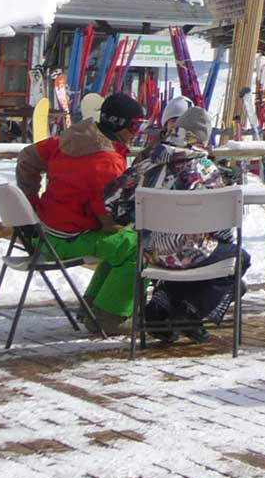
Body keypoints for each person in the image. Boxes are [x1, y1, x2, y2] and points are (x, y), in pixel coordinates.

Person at [105, 106, 249, 343]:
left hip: (150, 252)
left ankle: (161, 308)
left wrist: (136, 221)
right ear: (203, 138)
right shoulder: (205, 168)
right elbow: (222, 226)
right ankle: (188, 313)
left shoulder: (149, 160)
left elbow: (112, 199)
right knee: (238, 257)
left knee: (190, 257)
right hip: (188, 253)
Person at [13, 91, 148, 333]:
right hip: (65, 242)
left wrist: (30, 203)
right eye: (136, 126)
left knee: (124, 243)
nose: (136, 133)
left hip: (42, 233)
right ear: (120, 125)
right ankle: (110, 317)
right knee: (142, 247)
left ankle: (94, 308)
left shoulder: (69, 139)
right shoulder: (107, 162)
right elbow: (109, 222)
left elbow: (27, 158)